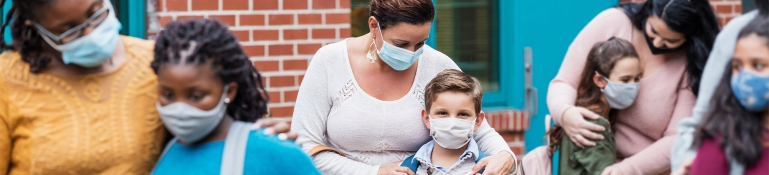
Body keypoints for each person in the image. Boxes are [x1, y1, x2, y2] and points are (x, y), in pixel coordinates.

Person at [0, 0, 292, 173]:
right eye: (69, 29)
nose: (91, 32)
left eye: (95, 12)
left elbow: (201, 139)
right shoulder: (6, 81)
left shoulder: (153, 63)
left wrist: (259, 138)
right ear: (34, 25)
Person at [290, 0, 517, 174]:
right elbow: (303, 146)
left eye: (421, 43)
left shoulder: (438, 65)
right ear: (373, 26)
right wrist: (374, 172)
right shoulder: (330, 61)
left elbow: (479, 130)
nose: (411, 53)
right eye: (401, 44)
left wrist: (506, 156)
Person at [546, 0, 720, 174]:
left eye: (670, 40)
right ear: (647, 11)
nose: (658, 43)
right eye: (653, 31)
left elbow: (678, 138)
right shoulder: (613, 23)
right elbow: (564, 82)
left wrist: (625, 169)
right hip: (589, 162)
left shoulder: (693, 63)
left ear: (690, 36)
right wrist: (565, 113)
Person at [149, 19, 321, 175]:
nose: (180, 109)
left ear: (229, 91)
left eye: (196, 96)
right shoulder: (166, 149)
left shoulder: (276, 154)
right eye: (168, 95)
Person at [671, 0, 769, 174]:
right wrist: (692, 161)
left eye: (758, 66)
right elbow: (701, 119)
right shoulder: (740, 31)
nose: (746, 76)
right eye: (737, 66)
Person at [537, 38, 641, 175]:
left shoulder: (584, 114)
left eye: (637, 79)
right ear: (600, 81)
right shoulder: (592, 125)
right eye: (625, 80)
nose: (633, 86)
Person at [397, 69, 489, 175]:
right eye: (442, 113)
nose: (452, 123)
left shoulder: (490, 168)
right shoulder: (406, 168)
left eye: (463, 114)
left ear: (477, 121)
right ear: (427, 119)